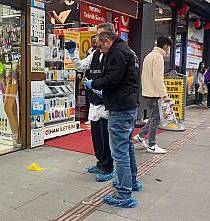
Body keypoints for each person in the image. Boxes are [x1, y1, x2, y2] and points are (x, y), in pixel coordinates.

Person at [84, 31, 141, 208]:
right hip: (129, 104)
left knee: (119, 150)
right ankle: (131, 181)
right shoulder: (126, 50)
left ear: (107, 41)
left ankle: (124, 193)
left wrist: (93, 84)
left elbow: (112, 79)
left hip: (120, 106)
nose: (100, 50)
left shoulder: (117, 52)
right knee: (127, 146)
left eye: (100, 46)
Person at [65, 23, 116, 182]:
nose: (96, 38)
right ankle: (100, 163)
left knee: (106, 136)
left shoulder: (114, 54)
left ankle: (108, 167)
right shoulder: (94, 54)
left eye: (99, 35)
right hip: (94, 102)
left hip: (107, 102)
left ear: (107, 36)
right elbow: (80, 66)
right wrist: (72, 53)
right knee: (96, 136)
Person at [133, 36, 173, 154]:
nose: (169, 49)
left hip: (147, 92)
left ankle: (140, 137)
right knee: (155, 118)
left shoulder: (149, 56)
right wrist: (164, 95)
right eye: (169, 47)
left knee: (153, 117)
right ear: (165, 46)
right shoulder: (158, 57)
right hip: (154, 93)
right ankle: (152, 144)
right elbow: (158, 78)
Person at [84, 36, 98, 126]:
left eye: (95, 41)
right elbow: (84, 66)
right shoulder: (89, 52)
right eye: (93, 42)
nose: (94, 43)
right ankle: (89, 117)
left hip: (97, 78)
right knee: (89, 98)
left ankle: (93, 117)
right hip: (89, 77)